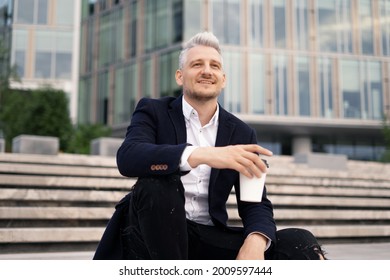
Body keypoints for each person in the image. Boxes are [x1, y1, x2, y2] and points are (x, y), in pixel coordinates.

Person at [93, 31, 326, 260]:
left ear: (223, 79)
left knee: (300, 242)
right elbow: (128, 157)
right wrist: (201, 154)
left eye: (214, 66)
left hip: (207, 236)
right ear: (179, 76)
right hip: (148, 236)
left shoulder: (242, 133)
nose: (206, 71)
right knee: (157, 185)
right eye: (197, 64)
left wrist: (256, 239)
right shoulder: (153, 111)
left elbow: (255, 202)